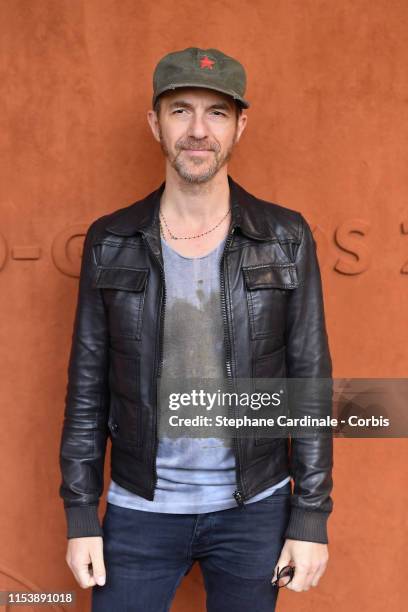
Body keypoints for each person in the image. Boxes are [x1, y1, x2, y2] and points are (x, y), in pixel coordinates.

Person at [59, 47, 334, 611]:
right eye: (181, 110)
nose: (198, 131)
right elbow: (87, 387)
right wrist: (82, 513)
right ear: (154, 122)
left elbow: (309, 378)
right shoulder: (111, 240)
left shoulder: (284, 236)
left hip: (255, 508)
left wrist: (310, 515)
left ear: (240, 126)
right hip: (139, 509)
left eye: (217, 113)